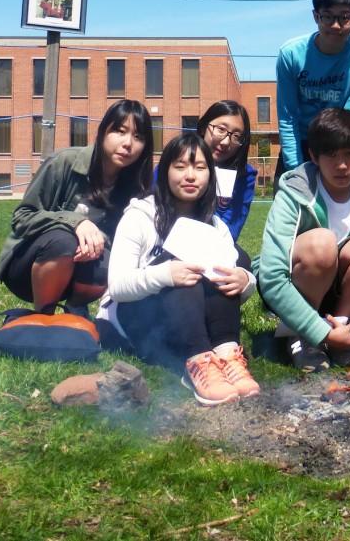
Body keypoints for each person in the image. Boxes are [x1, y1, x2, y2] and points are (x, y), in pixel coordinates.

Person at [106, 133, 259, 406]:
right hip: (140, 319)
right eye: (180, 166)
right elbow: (118, 286)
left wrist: (244, 281)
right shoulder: (139, 216)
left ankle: (225, 356)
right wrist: (165, 274)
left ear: (210, 176)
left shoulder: (215, 226)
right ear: (164, 172)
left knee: (228, 264)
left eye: (200, 168)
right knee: (182, 270)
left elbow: (229, 296)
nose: (190, 176)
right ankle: (197, 365)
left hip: (188, 320)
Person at [257, 108, 350, 372]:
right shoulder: (294, 191)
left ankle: (342, 331)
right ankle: (303, 337)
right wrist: (317, 330)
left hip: (347, 295)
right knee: (322, 244)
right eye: (331, 155)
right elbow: (271, 275)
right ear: (314, 155)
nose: (342, 165)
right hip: (300, 289)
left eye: (349, 155)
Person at [0, 99, 154, 314]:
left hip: (80, 270)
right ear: (103, 131)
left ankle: (75, 311)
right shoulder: (64, 162)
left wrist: (97, 242)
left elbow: (126, 241)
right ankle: (44, 316)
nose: (128, 143)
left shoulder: (136, 187)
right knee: (63, 240)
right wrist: (76, 223)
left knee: (109, 260)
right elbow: (22, 216)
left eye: (138, 137)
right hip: (28, 269)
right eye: (120, 131)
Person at [275, 0, 350, 186]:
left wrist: (335, 162)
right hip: (299, 144)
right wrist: (296, 170)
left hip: (340, 147)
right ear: (315, 16)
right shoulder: (291, 54)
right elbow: (288, 116)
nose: (336, 25)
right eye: (327, 17)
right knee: (288, 214)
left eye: (344, 17)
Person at [195, 100, 258, 241]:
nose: (225, 142)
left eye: (236, 136)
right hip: (169, 242)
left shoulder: (244, 176)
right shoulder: (176, 161)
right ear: (204, 127)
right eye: (221, 130)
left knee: (242, 259)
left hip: (215, 247)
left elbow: (230, 230)